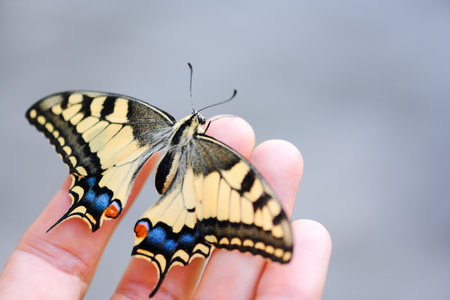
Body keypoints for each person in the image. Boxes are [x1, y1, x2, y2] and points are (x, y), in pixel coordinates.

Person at [0, 116, 331, 299]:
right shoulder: (221, 162)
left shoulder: (139, 118)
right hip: (179, 214)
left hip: (152, 196)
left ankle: (109, 208)